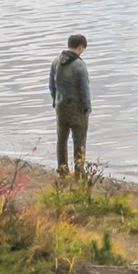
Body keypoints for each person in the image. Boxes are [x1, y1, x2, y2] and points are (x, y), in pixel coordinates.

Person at [48, 33, 90, 177]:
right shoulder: (79, 65)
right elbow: (84, 89)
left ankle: (62, 168)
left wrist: (55, 100)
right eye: (82, 48)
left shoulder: (55, 62)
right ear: (80, 47)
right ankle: (79, 171)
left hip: (60, 106)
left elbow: (51, 86)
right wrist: (87, 108)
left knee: (61, 139)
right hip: (77, 108)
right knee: (79, 141)